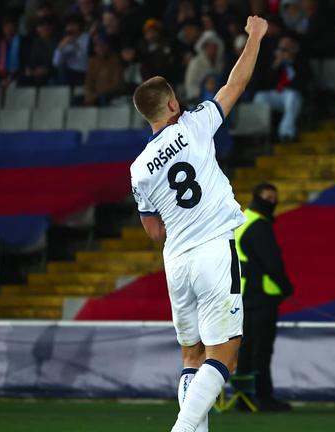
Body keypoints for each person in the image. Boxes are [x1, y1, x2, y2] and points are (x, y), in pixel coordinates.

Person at [130, 15, 268, 432]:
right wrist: (255, 37)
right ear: (172, 105)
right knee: (225, 354)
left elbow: (152, 228)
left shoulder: (138, 170)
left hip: (177, 261)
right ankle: (183, 428)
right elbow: (235, 85)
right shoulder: (192, 126)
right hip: (213, 249)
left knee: (191, 355)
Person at [235, 182, 294, 412]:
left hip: (243, 294)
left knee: (246, 349)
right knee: (261, 350)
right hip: (262, 296)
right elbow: (272, 263)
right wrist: (286, 287)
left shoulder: (242, 220)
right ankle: (263, 397)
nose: (272, 202)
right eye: (269, 198)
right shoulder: (259, 226)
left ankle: (243, 398)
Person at [252, 36, 310, 142]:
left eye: (286, 49)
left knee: (291, 96)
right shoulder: (274, 62)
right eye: (281, 49)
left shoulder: (301, 61)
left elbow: (305, 82)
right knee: (259, 97)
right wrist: (276, 64)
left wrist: (292, 63)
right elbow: (265, 82)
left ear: (293, 49)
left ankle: (286, 133)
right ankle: (260, 134)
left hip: (294, 96)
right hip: (278, 94)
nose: (283, 52)